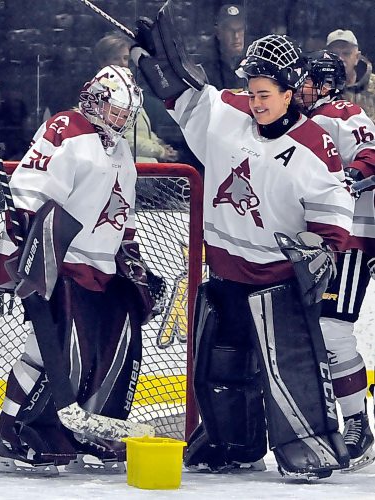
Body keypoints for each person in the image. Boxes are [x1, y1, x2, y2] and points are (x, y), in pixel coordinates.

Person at [132, 5, 354, 479]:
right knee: (221, 366)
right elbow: (188, 100)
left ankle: (310, 447)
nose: (255, 102)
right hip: (228, 273)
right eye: (252, 91)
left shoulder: (317, 145)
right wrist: (171, 72)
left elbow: (334, 223)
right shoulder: (227, 110)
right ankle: (233, 444)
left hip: (278, 281)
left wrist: (318, 250)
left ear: (291, 92)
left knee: (290, 370)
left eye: (266, 94)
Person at [0, 65, 151, 474]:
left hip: (103, 268)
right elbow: (31, 188)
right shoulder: (68, 128)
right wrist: (23, 234)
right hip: (59, 262)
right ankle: (16, 432)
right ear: (95, 100)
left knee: (107, 347)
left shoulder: (118, 148)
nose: (121, 120)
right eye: (115, 111)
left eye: (125, 114)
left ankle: (90, 432)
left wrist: (129, 254)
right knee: (52, 350)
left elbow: (123, 211)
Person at [299, 50, 375, 471]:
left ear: (326, 85)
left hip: (354, 236)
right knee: (316, 330)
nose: (300, 87)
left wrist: (350, 178)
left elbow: (370, 156)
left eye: (307, 80)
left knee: (332, 328)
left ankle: (358, 425)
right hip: (327, 239)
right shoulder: (299, 119)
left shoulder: (342, 111)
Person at [95, 32, 178, 162]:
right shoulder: (104, 94)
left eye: (125, 58)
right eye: (116, 59)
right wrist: (159, 151)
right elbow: (123, 139)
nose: (123, 64)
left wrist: (159, 144)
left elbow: (140, 130)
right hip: (128, 172)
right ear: (103, 62)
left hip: (144, 171)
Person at [326, 29, 375, 122]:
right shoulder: (318, 89)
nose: (340, 58)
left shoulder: (373, 86)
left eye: (346, 54)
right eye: (334, 54)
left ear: (357, 57)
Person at [198, 4, 247, 90]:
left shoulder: (254, 58)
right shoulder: (207, 63)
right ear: (218, 33)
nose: (236, 36)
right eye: (230, 30)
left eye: (240, 29)